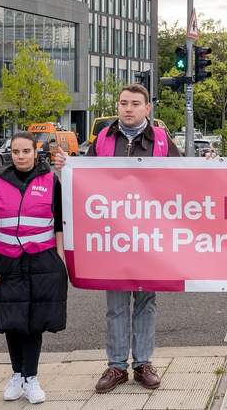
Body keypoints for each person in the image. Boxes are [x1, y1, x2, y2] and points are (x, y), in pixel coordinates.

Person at [87, 83, 181, 393]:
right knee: (115, 303)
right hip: (112, 235)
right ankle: (116, 367)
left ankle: (143, 363)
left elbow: (183, 180)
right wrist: (67, 166)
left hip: (150, 235)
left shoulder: (162, 141)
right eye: (124, 102)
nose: (128, 108)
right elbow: (84, 178)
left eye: (135, 103)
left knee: (146, 301)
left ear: (147, 109)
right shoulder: (102, 139)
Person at [0, 132, 68, 405]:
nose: (20, 157)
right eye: (16, 152)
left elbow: (58, 224)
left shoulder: (50, 180)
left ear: (35, 152)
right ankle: (17, 374)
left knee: (34, 322)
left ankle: (31, 377)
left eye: (26, 152)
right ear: (11, 153)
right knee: (11, 319)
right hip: (6, 260)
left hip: (41, 260)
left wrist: (60, 260)